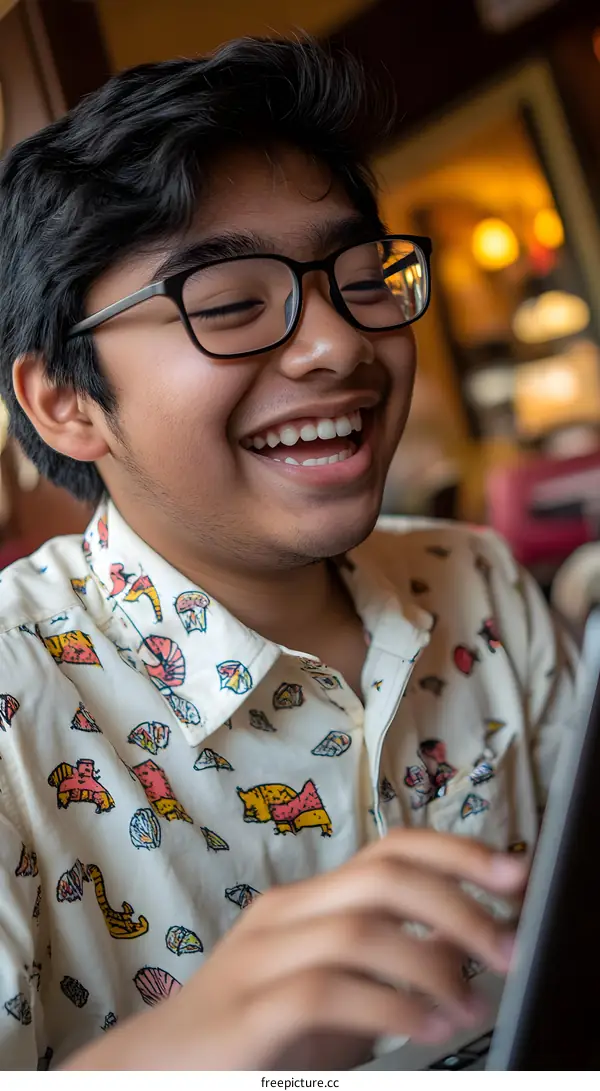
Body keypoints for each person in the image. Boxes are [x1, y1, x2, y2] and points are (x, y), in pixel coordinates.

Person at [0, 38, 575, 1072]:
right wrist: (177, 1053)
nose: (338, 345)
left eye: (362, 278)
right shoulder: (13, 703)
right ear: (66, 401)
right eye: (229, 304)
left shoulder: (479, 581)